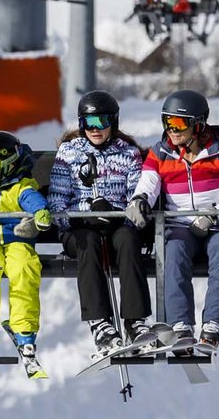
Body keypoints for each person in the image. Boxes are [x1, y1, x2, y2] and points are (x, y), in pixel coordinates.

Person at [125, 89, 219, 351]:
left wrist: (214, 213)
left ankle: (213, 326)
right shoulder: (161, 154)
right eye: (167, 122)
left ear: (198, 124)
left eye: (179, 123)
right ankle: (180, 326)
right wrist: (139, 201)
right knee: (173, 251)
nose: (172, 130)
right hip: (180, 224)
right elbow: (148, 185)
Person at [46, 90, 152, 350]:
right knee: (89, 241)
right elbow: (57, 200)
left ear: (112, 123)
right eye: (88, 123)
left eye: (101, 123)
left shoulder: (127, 154)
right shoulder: (69, 153)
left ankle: (135, 321)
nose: (94, 130)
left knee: (128, 239)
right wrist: (78, 220)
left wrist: (120, 219)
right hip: (79, 229)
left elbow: (134, 197)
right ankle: (100, 323)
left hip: (116, 225)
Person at [0, 131, 53, 363]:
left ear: (7, 165)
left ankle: (25, 331)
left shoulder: (20, 187)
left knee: (25, 269)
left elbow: (33, 199)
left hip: (17, 241)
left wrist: (40, 213)